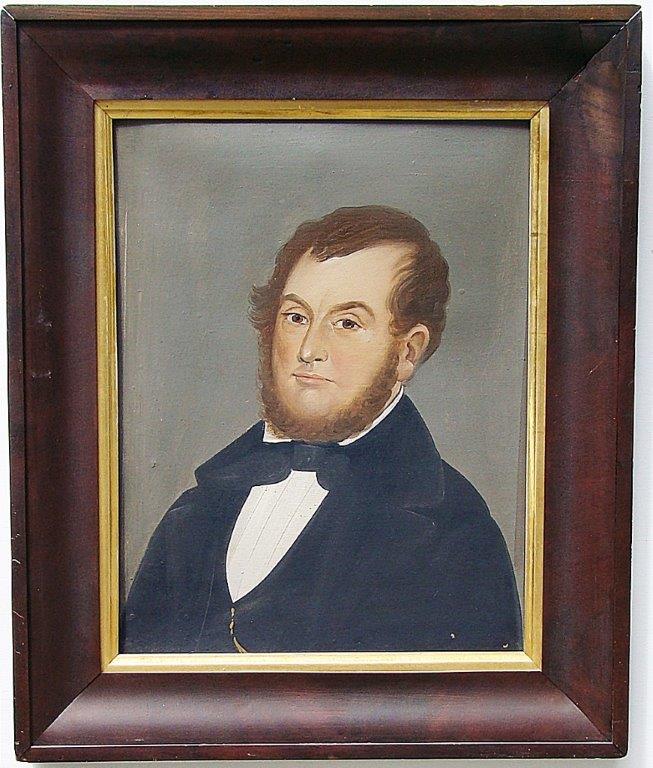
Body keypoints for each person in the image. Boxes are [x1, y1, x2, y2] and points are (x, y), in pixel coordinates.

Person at [122, 205, 522, 653]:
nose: (309, 349)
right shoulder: (198, 508)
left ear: (408, 352)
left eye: (347, 323)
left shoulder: (452, 532)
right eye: (296, 317)